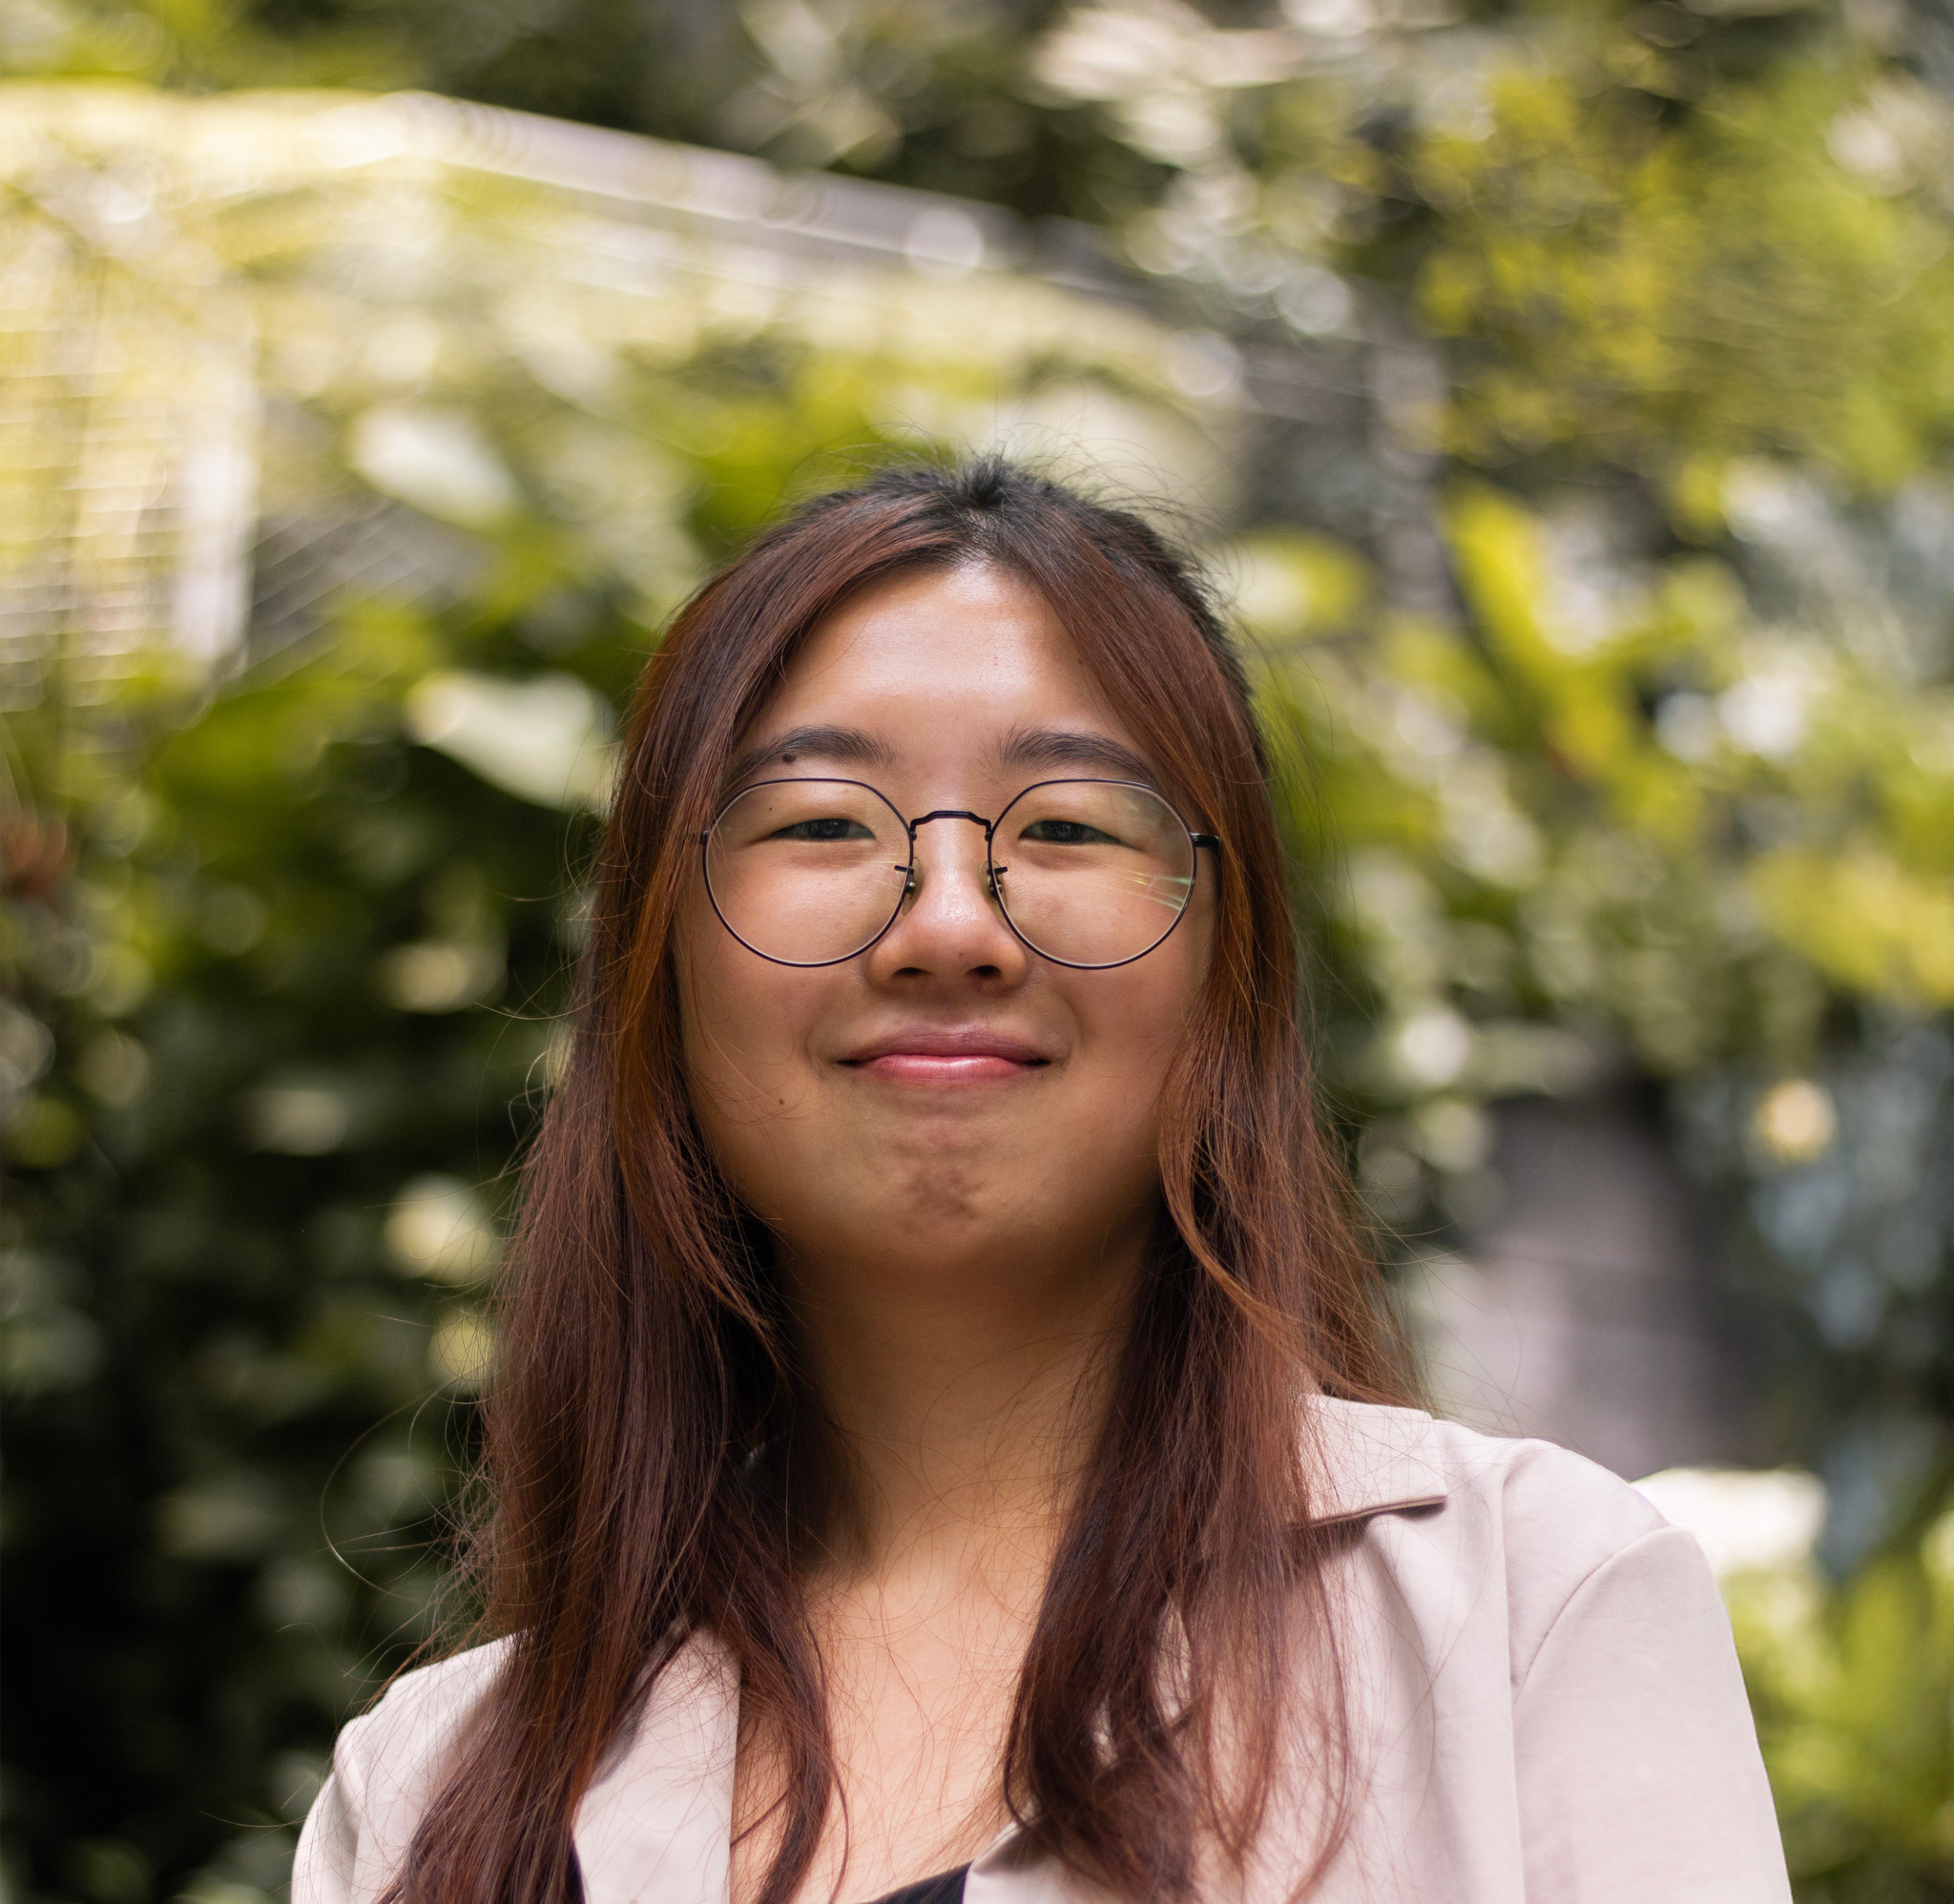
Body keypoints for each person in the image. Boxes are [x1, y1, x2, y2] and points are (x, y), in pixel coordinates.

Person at [294, 459, 1791, 1904]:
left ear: (1230, 974)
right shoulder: (429, 1800)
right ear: (657, 964)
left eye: (1068, 825)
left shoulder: (1536, 1612)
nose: (949, 926)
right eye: (821, 823)